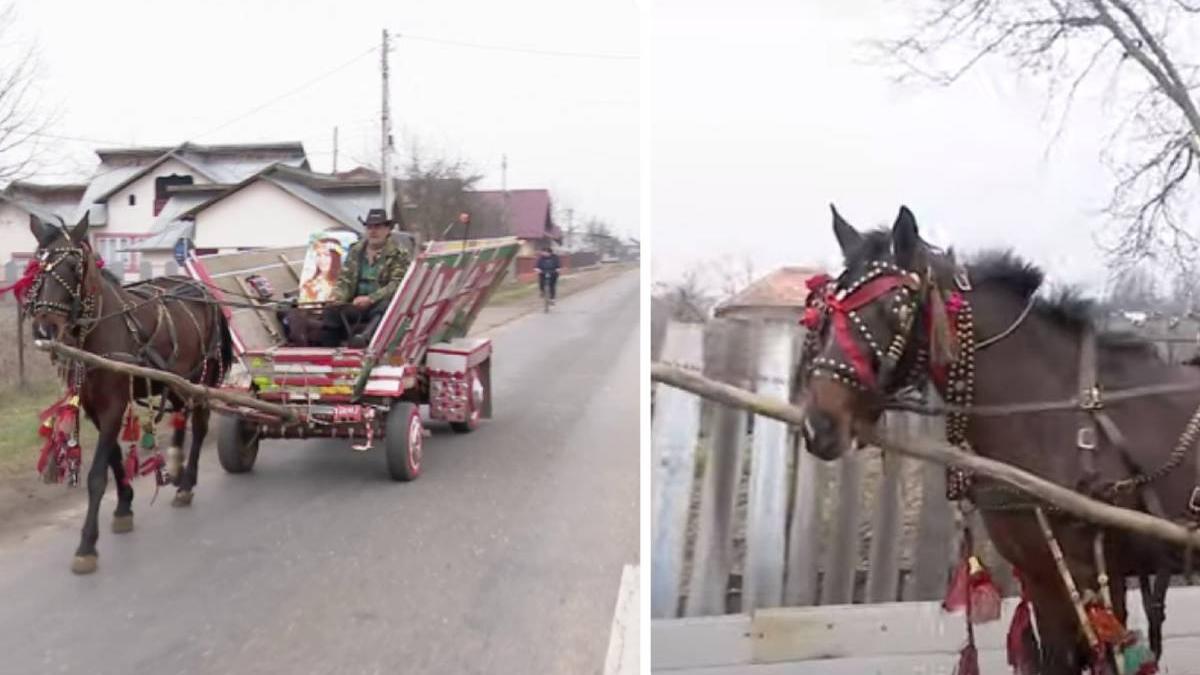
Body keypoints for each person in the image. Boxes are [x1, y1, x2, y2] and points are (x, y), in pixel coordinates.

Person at [319, 209, 412, 347]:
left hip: (379, 305)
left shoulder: (399, 253)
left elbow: (398, 284)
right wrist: (337, 297)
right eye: (369, 227)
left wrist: (371, 299)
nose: (373, 231)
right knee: (332, 311)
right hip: (355, 304)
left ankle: (365, 339)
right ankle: (328, 354)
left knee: (386, 306)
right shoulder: (355, 250)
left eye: (378, 227)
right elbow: (345, 280)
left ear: (388, 229)